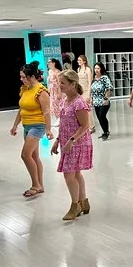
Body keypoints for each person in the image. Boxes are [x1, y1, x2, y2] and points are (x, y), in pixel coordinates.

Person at [51, 70, 93, 221]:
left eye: (63, 83)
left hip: (78, 143)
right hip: (67, 142)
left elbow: (85, 125)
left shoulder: (79, 103)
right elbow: (63, 124)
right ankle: (83, 202)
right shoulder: (65, 101)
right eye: (59, 82)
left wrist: (72, 140)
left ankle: (75, 205)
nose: (59, 85)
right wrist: (57, 140)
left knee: (69, 174)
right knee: (75, 173)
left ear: (73, 84)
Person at [10, 61, 53, 198]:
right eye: (21, 77)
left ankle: (35, 185)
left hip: (37, 126)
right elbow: (21, 108)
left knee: (25, 155)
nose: (21, 79)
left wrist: (48, 129)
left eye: (24, 77)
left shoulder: (41, 91)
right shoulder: (25, 89)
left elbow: (46, 112)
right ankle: (40, 185)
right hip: (27, 126)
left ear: (32, 77)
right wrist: (15, 125)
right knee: (34, 156)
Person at [91, 62, 113, 140]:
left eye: (98, 68)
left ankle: (106, 132)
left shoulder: (104, 78)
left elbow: (108, 88)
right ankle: (104, 131)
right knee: (99, 118)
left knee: (102, 116)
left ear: (101, 69)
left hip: (103, 101)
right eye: (95, 68)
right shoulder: (94, 78)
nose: (96, 70)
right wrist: (91, 99)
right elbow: (92, 90)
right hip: (96, 101)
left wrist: (106, 98)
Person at [77, 55, 94, 133]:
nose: (79, 62)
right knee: (82, 110)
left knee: (88, 109)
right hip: (80, 92)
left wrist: (88, 94)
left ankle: (91, 126)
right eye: (78, 60)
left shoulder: (87, 70)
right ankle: (85, 125)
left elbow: (90, 82)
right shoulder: (78, 69)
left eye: (80, 60)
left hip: (86, 91)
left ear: (84, 61)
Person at [47, 58, 64, 126]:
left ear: (53, 63)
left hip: (57, 90)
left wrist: (59, 92)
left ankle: (60, 118)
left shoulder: (57, 72)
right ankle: (58, 118)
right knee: (53, 105)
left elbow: (59, 82)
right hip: (52, 91)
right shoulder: (50, 71)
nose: (48, 63)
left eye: (49, 62)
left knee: (58, 104)